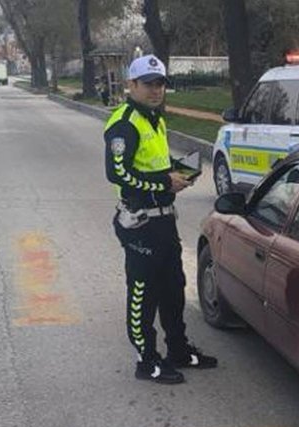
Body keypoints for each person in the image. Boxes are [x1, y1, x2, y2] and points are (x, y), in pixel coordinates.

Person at [104, 54, 217, 384]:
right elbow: (118, 172)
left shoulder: (155, 119)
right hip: (140, 223)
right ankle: (147, 360)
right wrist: (164, 183)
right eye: (149, 84)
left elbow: (155, 160)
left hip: (163, 221)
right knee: (143, 292)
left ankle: (178, 351)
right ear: (132, 85)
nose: (156, 90)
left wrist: (177, 171)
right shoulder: (125, 122)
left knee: (173, 289)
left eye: (161, 84)